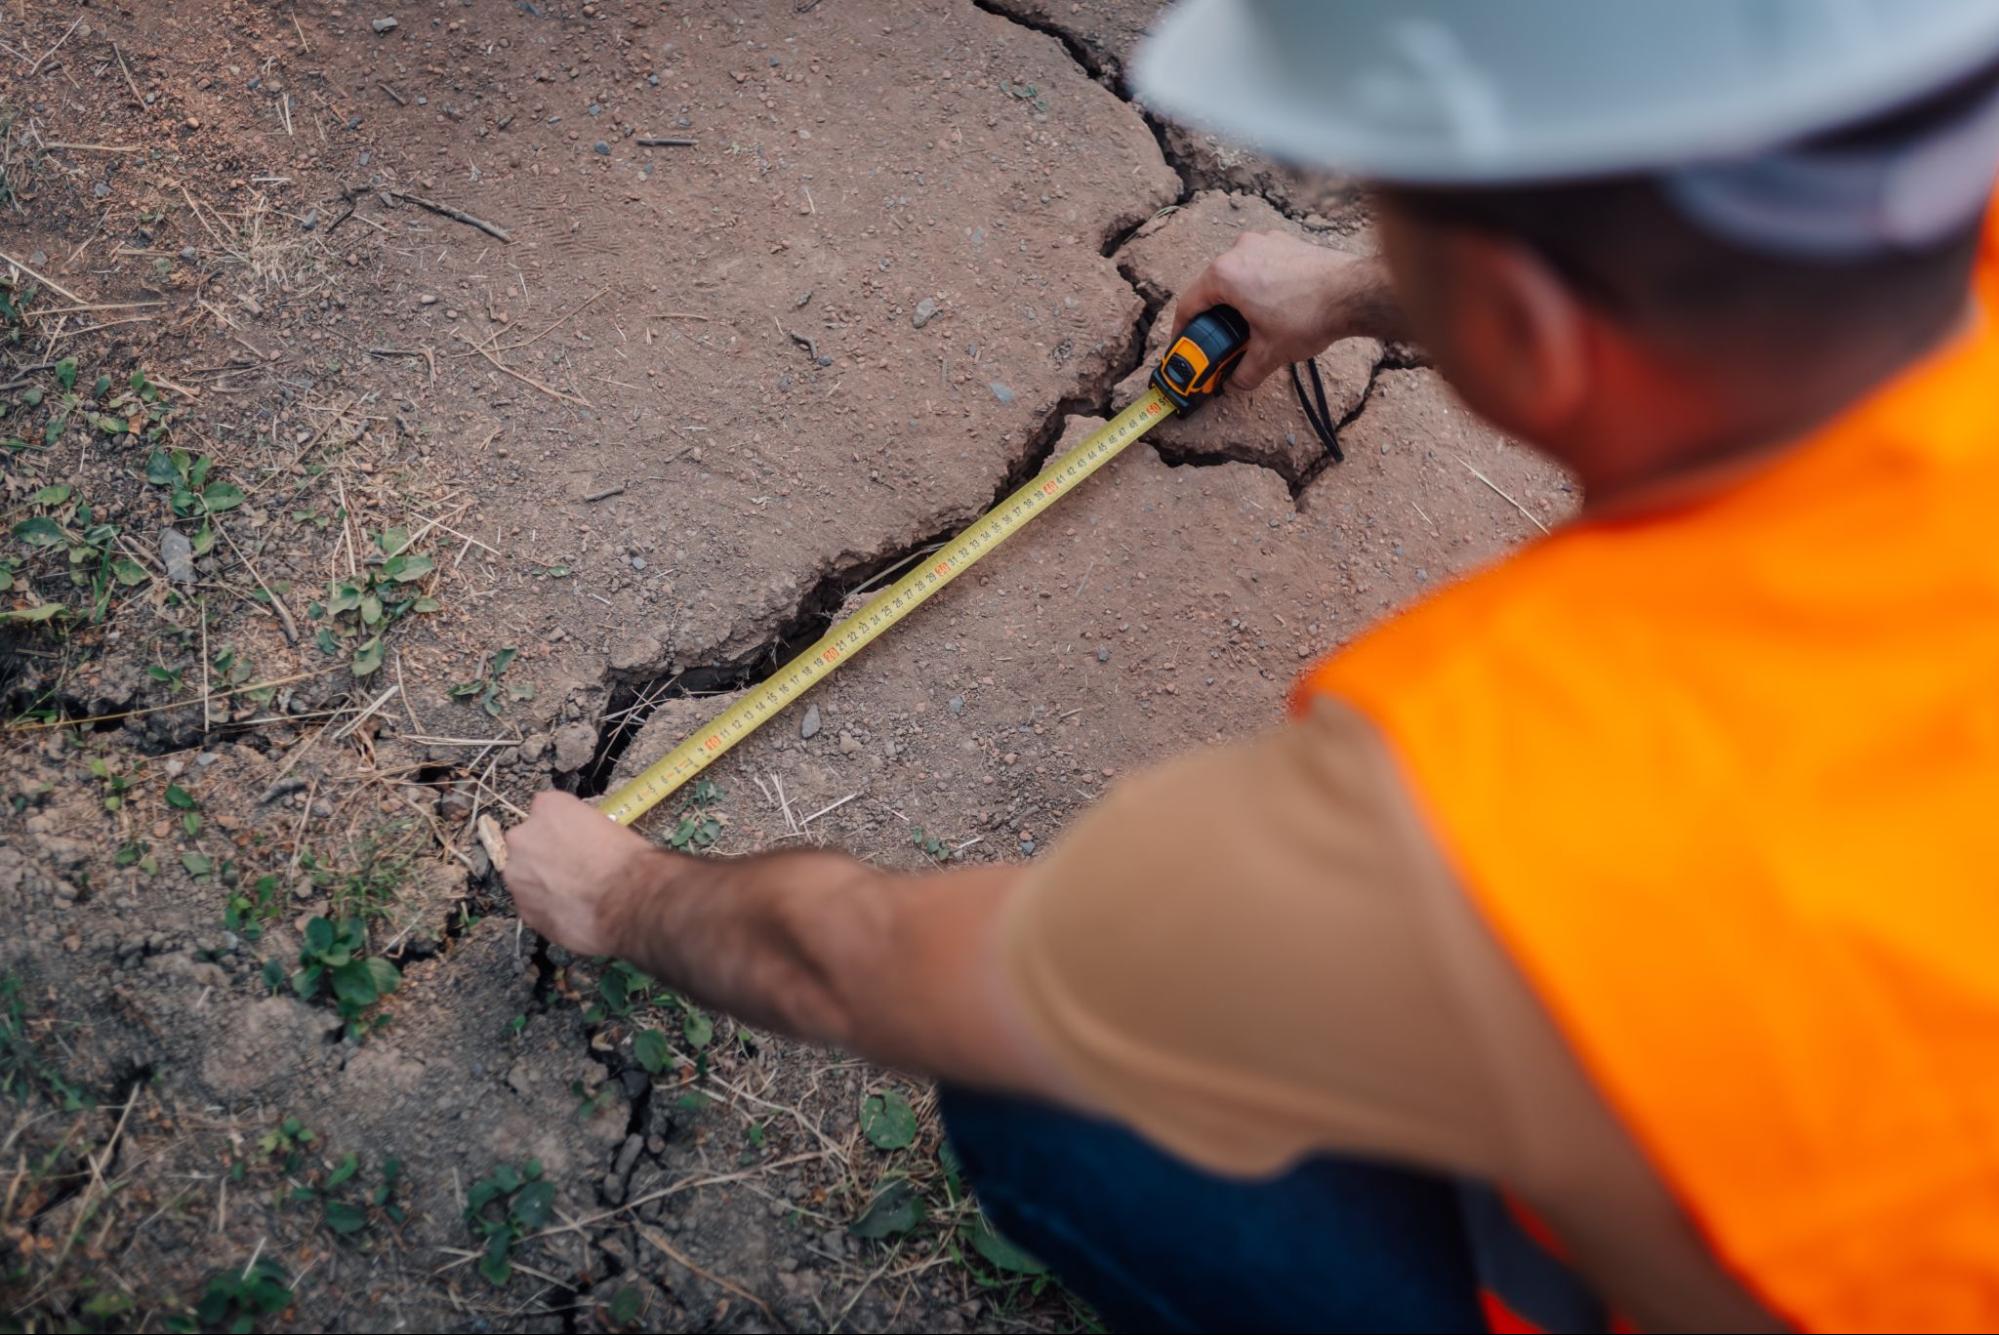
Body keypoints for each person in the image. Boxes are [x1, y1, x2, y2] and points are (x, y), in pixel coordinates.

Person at [503, 3, 1999, 1329]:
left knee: (1064, 1111)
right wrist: (1361, 286)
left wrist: (629, 894)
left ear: (1536, 326)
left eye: (1391, 208)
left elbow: (862, 965)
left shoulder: (1494, 814)